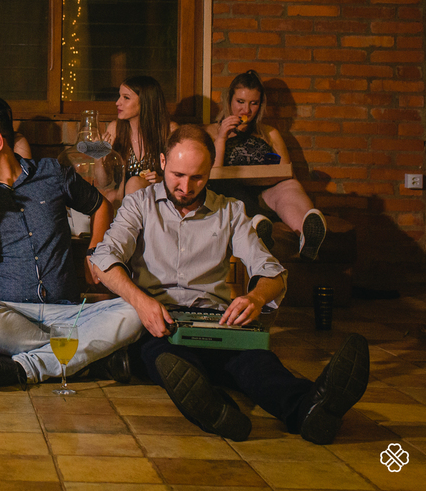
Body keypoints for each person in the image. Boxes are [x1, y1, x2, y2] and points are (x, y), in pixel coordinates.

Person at [89, 126, 369, 444]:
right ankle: (218, 410)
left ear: (210, 171)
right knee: (171, 359)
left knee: (256, 364)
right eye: (178, 174)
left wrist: (256, 298)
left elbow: (272, 272)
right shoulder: (138, 204)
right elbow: (104, 260)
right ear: (163, 162)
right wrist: (141, 302)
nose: (185, 186)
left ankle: (310, 408)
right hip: (159, 321)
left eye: (197, 177)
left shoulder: (231, 211)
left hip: (217, 321)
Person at [0, 97, 143, 390]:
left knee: (135, 312)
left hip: (67, 313)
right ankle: (87, 360)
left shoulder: (51, 172)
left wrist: (94, 249)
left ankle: (29, 366)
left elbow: (101, 206)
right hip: (9, 315)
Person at [206, 70, 327, 260]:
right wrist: (222, 137)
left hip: (267, 193)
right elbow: (212, 176)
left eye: (253, 103)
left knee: (290, 185)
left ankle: (307, 239)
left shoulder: (269, 134)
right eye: (240, 102)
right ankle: (260, 229)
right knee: (230, 190)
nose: (246, 110)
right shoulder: (212, 132)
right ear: (229, 100)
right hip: (231, 192)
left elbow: (285, 171)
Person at [103, 75, 177, 201]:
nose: (118, 102)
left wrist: (161, 179)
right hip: (124, 198)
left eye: (126, 98)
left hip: (158, 198)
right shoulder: (115, 129)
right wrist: (100, 157)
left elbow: (181, 175)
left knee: (134, 183)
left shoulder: (169, 130)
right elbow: (104, 181)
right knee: (102, 195)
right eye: (119, 96)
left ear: (145, 101)